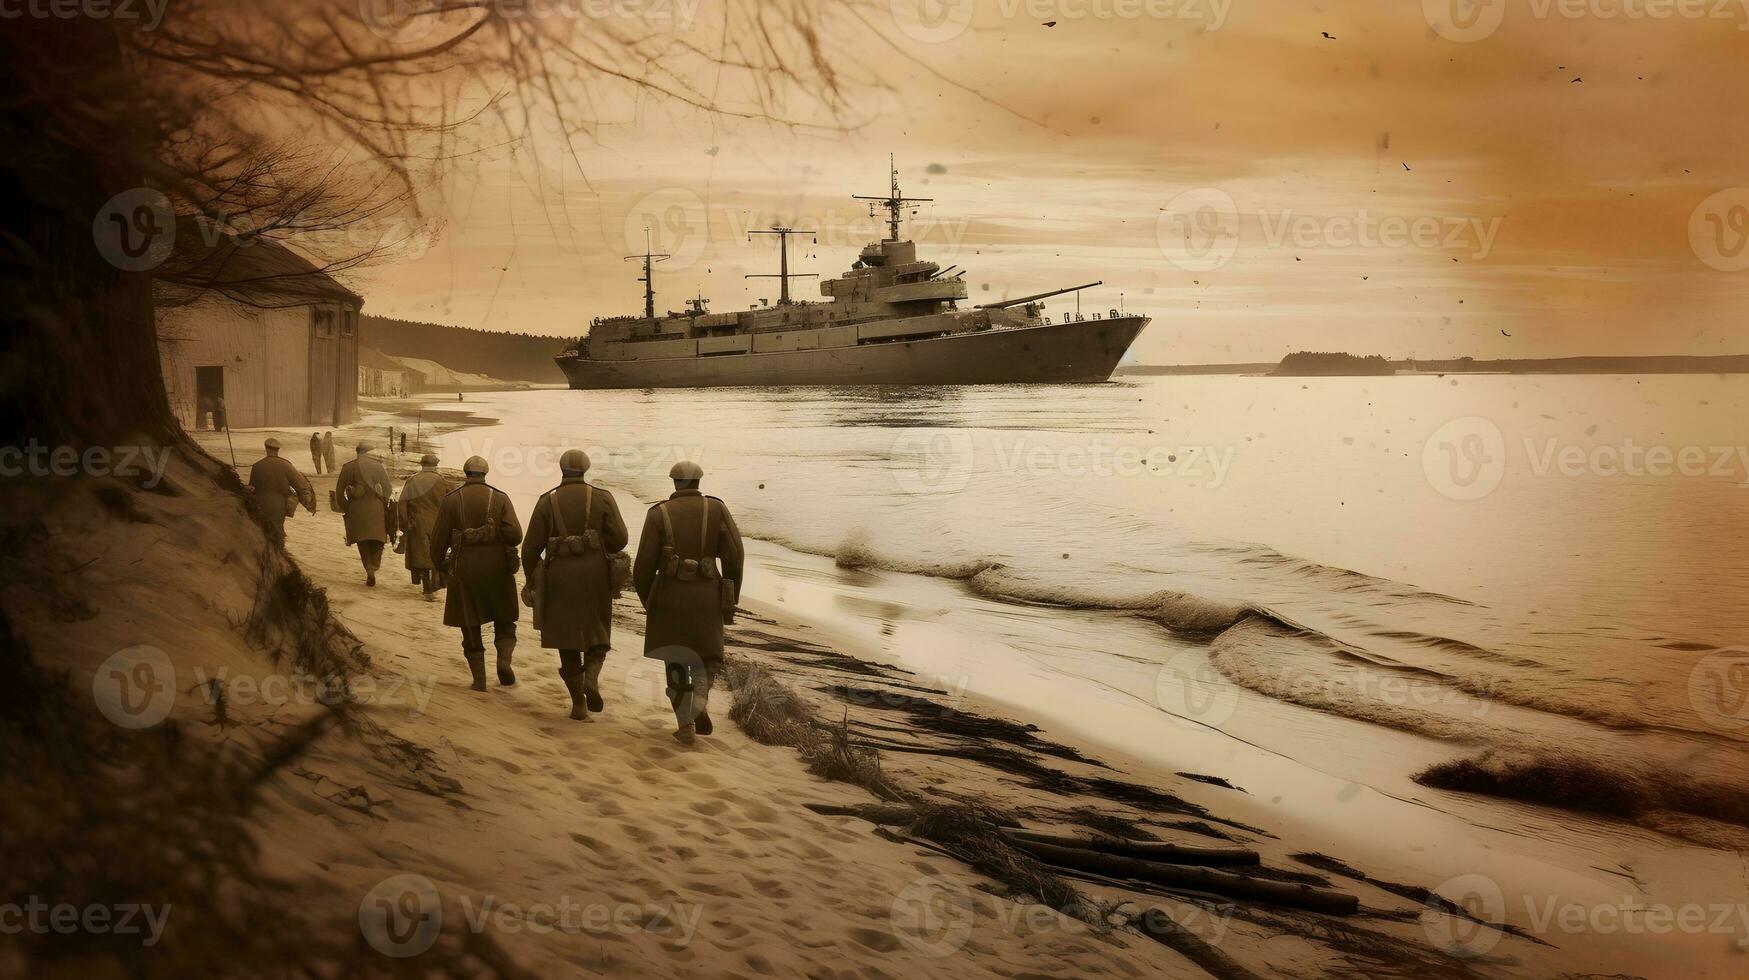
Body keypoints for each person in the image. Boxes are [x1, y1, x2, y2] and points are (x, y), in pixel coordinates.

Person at [633, 460, 744, 744]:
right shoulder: (716, 508)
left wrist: (650, 601)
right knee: (707, 657)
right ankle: (701, 698)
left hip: (670, 596)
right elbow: (735, 556)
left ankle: (685, 725)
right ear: (699, 481)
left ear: (673, 482)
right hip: (708, 594)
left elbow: (643, 567)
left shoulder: (658, 513)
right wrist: (730, 596)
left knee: (675, 659)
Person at [521, 450, 628, 721]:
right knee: (598, 631)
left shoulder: (548, 501)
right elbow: (621, 538)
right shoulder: (602, 497)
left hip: (559, 575)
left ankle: (578, 704)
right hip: (595, 574)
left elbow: (531, 548)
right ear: (586, 469)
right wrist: (602, 547)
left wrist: (531, 580)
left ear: (561, 469)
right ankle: (591, 677)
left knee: (566, 639)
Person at [430, 456, 522, 692]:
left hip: (464, 568)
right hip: (497, 568)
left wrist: (439, 564)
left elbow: (438, 540)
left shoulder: (451, 500)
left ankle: (479, 679)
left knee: (469, 622)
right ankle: (503, 660)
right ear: (485, 473)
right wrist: (494, 532)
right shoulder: (500, 497)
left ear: (465, 473)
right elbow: (515, 536)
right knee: (504, 618)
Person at [336, 442, 393, 586]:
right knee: (378, 538)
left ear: (357, 452)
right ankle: (375, 564)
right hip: (376, 507)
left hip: (356, 508)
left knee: (363, 541)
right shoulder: (377, 466)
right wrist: (383, 502)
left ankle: (369, 569)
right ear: (369, 452)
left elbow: (339, 492)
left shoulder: (349, 467)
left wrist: (347, 507)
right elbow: (388, 488)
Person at [397, 453, 452, 599]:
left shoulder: (412, 480)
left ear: (422, 465)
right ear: (435, 465)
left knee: (420, 556)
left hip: (417, 523)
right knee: (436, 554)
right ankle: (431, 588)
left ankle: (427, 587)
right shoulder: (443, 481)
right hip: (438, 524)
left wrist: (404, 524)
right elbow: (451, 503)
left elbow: (402, 504)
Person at [247, 437, 314, 547]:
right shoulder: (286, 465)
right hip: (279, 506)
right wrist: (307, 501)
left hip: (259, 505)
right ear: (277, 450)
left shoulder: (257, 466)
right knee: (277, 533)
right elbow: (302, 485)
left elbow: (252, 488)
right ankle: (278, 556)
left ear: (266, 449)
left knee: (262, 533)